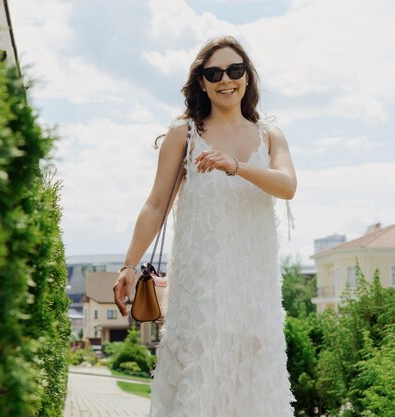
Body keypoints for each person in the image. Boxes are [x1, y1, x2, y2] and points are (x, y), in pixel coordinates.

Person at [112, 36, 297, 417]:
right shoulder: (185, 134)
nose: (225, 79)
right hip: (200, 292)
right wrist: (129, 264)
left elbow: (288, 185)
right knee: (198, 389)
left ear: (247, 77)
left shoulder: (270, 134)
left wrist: (236, 166)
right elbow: (156, 204)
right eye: (214, 73)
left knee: (252, 392)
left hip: (254, 294)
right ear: (201, 82)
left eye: (235, 70)